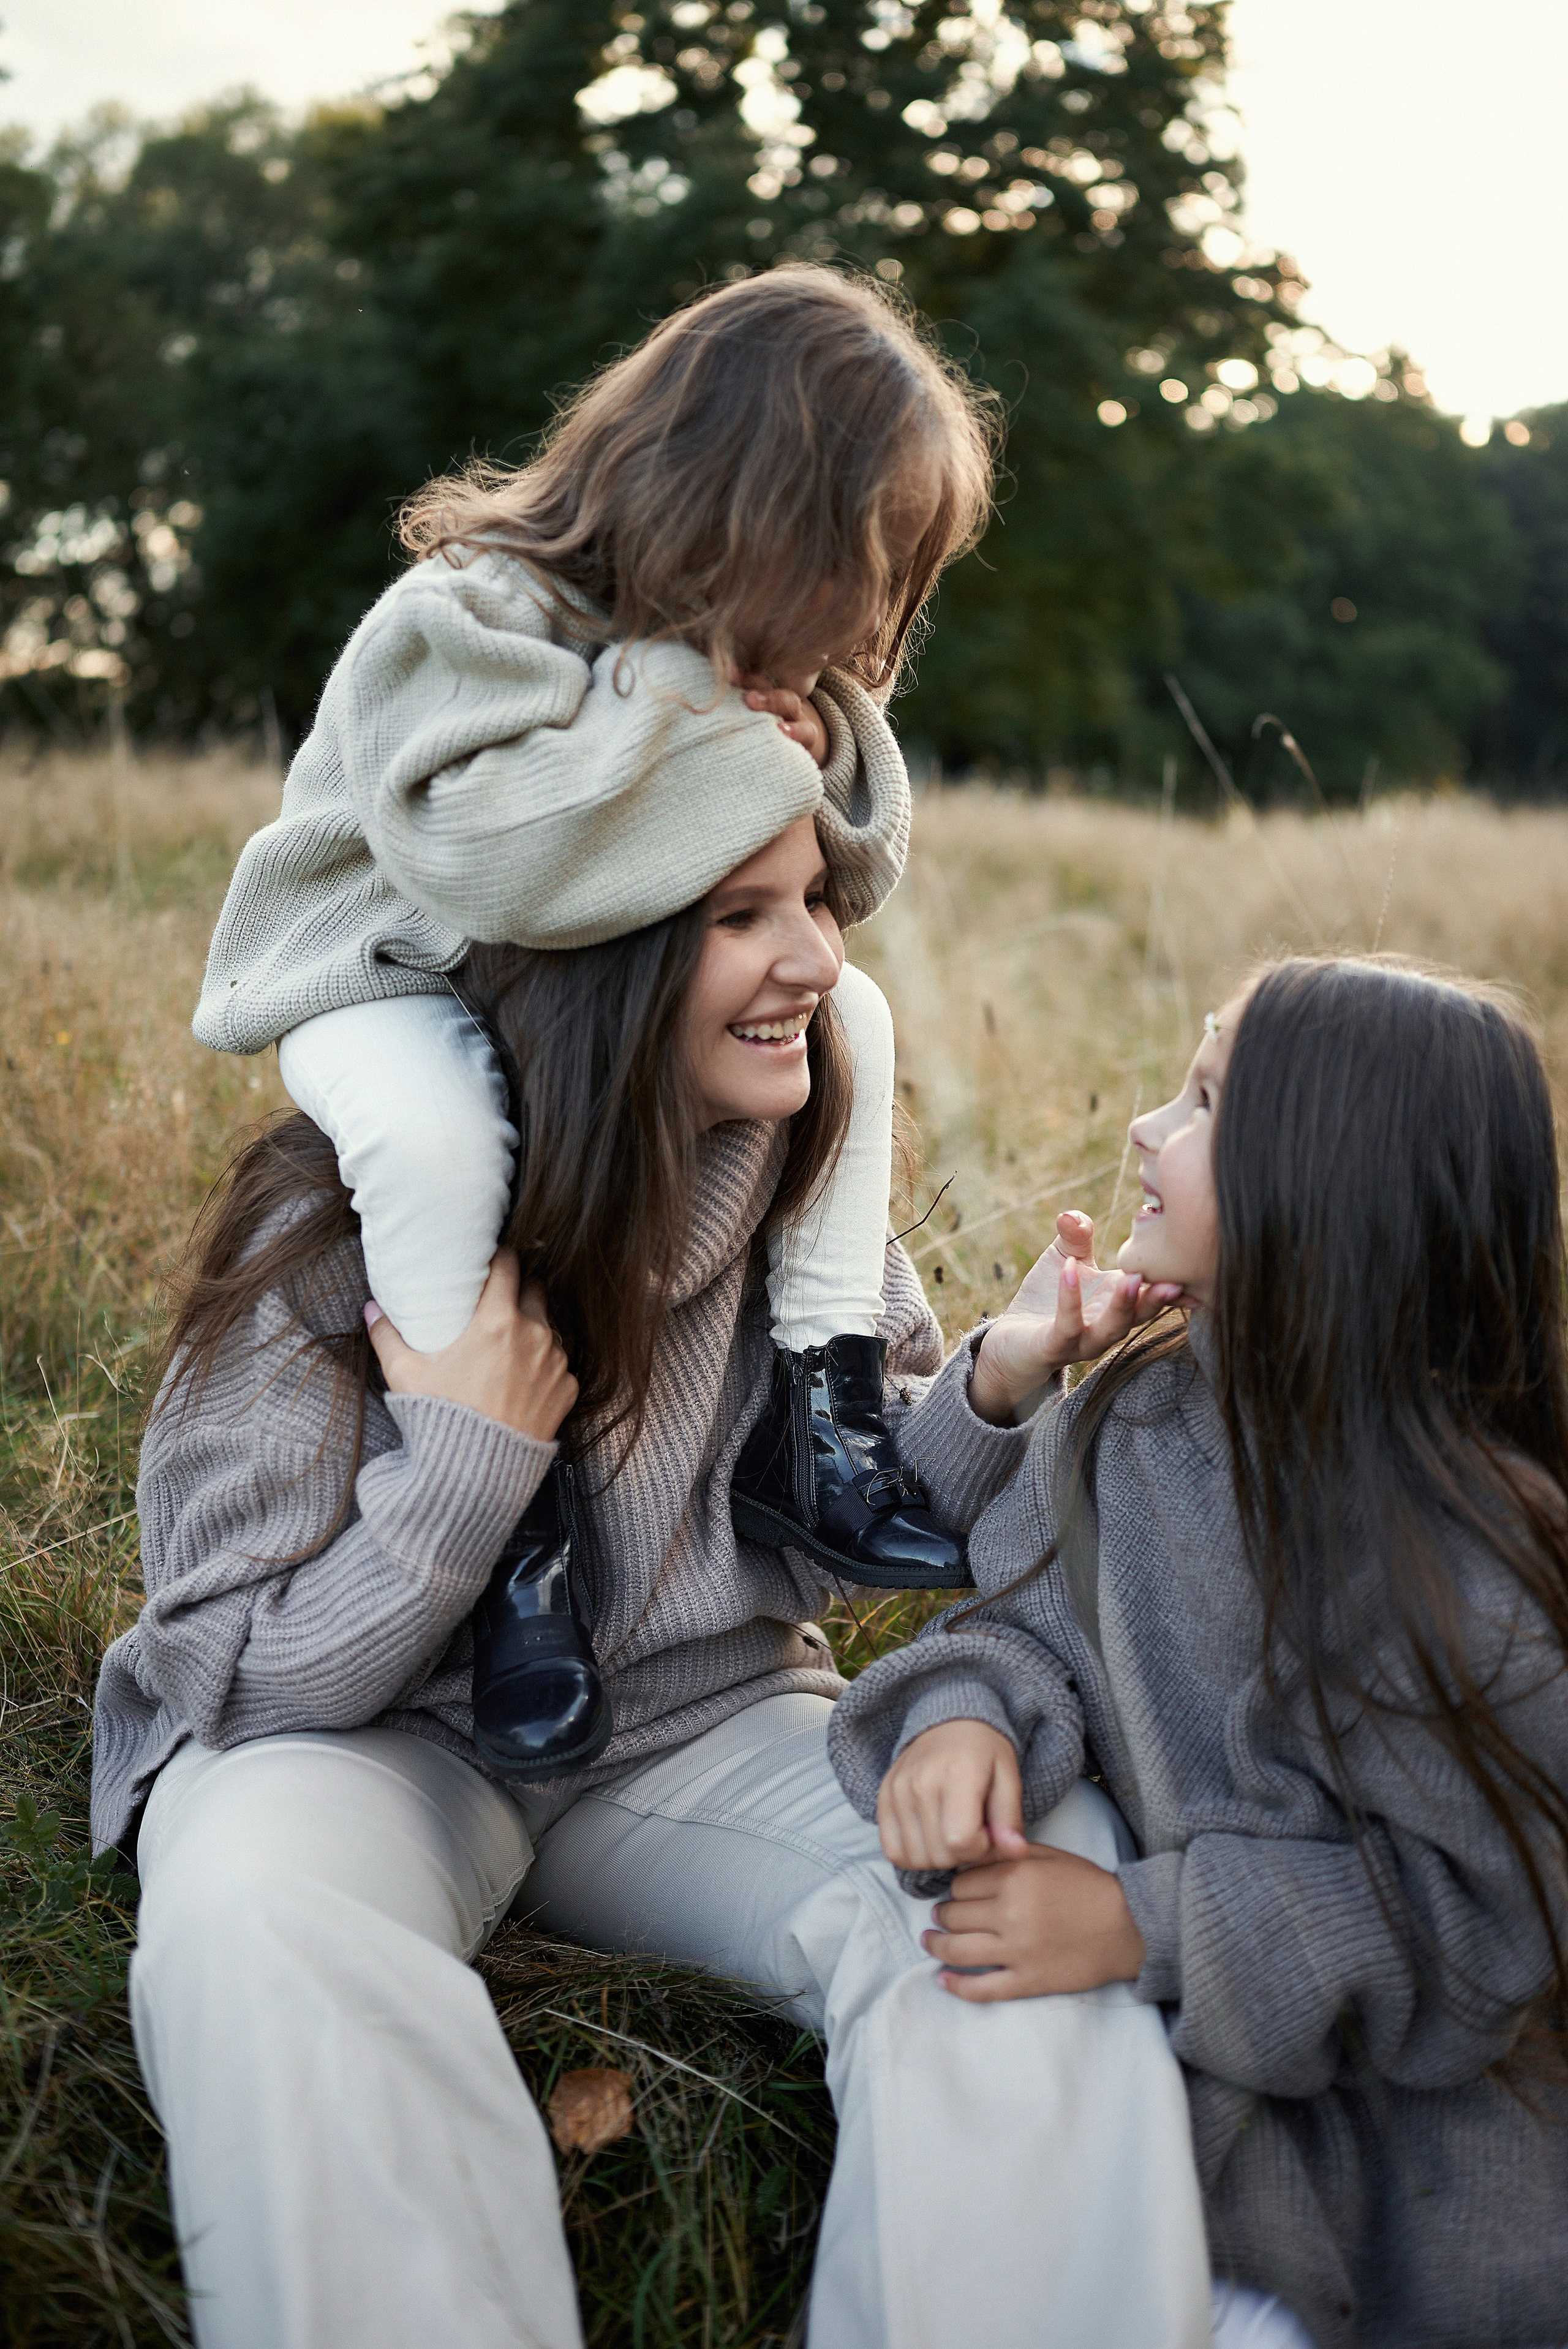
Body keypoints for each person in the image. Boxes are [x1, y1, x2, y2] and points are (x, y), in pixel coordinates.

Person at [94, 816, 1226, 2349]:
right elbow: (232, 1677)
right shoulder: (340, 1222)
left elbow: (842, 1510)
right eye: (741, 914)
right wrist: (464, 1465)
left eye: (816, 900)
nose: (819, 958)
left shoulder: (785, 1171)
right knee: (248, 1914)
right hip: (370, 1745)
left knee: (1020, 1855)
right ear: (596, 960)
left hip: (705, 1733)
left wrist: (993, 1385)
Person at [190, 266, 996, 1791]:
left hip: (569, 987)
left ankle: (816, 1412)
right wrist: (682, 713)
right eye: (863, 564)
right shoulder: (467, 614)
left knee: (856, 1021)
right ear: (746, 514)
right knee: (437, 1134)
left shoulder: (752, 674)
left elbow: (844, 875)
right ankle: (519, 1535)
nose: (872, 616)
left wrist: (804, 744)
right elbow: (500, 866)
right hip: (379, 970)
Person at [829, 956, 1568, 2349]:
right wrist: (963, 1715)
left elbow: (1475, 1922)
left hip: (1405, 2206)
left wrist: (1146, 1923)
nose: (1141, 1131)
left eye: (1203, 1100)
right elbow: (1030, 1620)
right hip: (1202, 2166)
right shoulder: (1136, 1420)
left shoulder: (1459, 1555)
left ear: (1322, 1177)